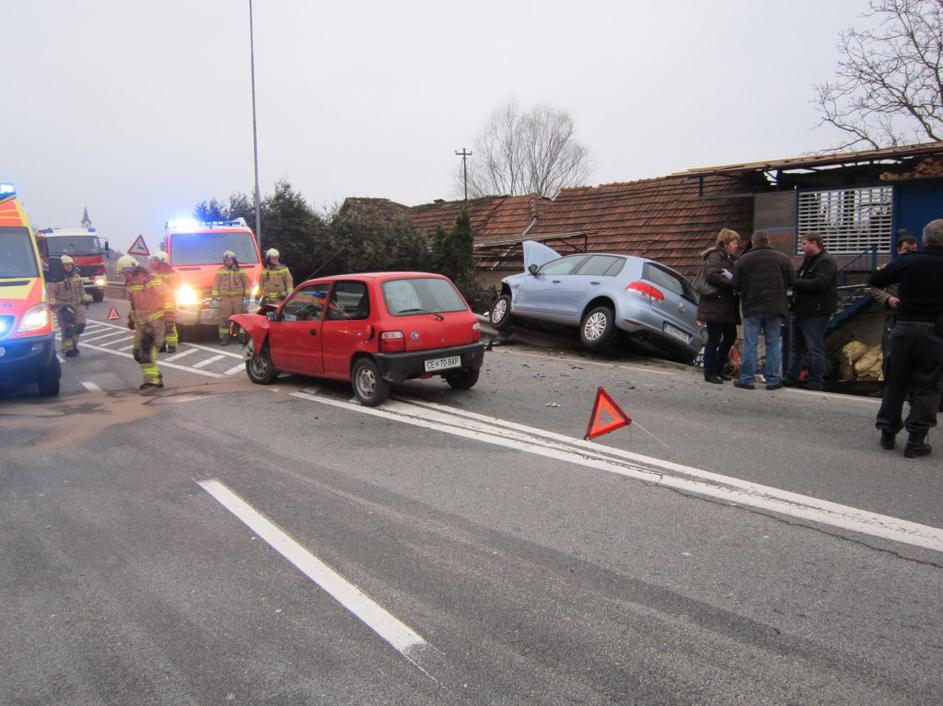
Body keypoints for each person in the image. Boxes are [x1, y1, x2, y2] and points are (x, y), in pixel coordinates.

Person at [870, 219, 943, 458]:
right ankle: (916, 439)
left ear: (924, 239)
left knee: (896, 381)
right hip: (935, 331)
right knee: (927, 385)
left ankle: (887, 432)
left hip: (903, 327)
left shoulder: (908, 261)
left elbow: (875, 280)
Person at [732, 230, 796, 390]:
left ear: (753, 242)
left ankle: (747, 379)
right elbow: (792, 281)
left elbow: (735, 284)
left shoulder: (743, 260)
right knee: (773, 343)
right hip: (775, 306)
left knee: (750, 343)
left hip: (752, 306)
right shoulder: (783, 259)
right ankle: (773, 380)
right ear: (769, 241)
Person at [783, 233, 838, 391]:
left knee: (815, 347)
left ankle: (815, 379)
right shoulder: (808, 260)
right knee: (795, 347)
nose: (802, 247)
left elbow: (820, 283)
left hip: (816, 311)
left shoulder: (826, 261)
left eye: (804, 243)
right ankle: (791, 377)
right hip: (799, 308)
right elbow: (799, 277)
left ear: (815, 243)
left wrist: (795, 282)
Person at [870, 233, 919, 381]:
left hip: (916, 316)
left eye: (914, 250)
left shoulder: (921, 268)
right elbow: (874, 287)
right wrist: (887, 299)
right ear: (898, 250)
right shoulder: (889, 268)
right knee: (890, 352)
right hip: (893, 316)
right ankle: (888, 385)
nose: (910, 253)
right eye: (907, 250)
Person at [696, 228, 740, 384]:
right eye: (734, 242)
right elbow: (712, 275)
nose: (736, 246)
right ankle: (710, 372)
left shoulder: (730, 258)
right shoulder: (716, 256)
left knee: (730, 336)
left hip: (725, 306)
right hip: (715, 304)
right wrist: (732, 283)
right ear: (725, 243)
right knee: (714, 338)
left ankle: (719, 367)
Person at [117, 254, 166, 390]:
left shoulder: (150, 280)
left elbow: (168, 296)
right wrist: (130, 318)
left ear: (131, 269)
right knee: (137, 354)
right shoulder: (131, 284)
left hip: (155, 323)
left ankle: (153, 381)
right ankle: (155, 375)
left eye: (125, 273)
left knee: (147, 353)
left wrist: (169, 320)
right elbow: (134, 304)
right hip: (141, 324)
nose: (124, 276)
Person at [48, 255, 92, 357]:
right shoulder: (56, 279)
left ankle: (74, 345)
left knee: (80, 326)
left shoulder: (77, 278)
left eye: (70, 265)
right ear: (61, 266)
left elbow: (82, 292)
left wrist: (86, 299)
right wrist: (55, 304)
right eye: (66, 265)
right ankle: (67, 349)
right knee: (67, 329)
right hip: (63, 307)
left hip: (77, 306)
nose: (69, 267)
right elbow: (50, 294)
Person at [211, 249, 248, 345]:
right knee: (224, 319)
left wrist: (247, 297)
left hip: (238, 298)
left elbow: (246, 285)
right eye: (227, 260)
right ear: (224, 261)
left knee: (240, 318)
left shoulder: (241, 271)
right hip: (225, 298)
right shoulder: (220, 272)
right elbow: (216, 285)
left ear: (234, 260)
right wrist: (214, 298)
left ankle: (242, 337)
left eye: (230, 260)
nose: (228, 261)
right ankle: (224, 338)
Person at [150, 251, 180, 353]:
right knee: (157, 324)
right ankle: (161, 345)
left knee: (169, 323)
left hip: (169, 301)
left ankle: (172, 345)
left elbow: (177, 286)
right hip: (156, 303)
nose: (153, 263)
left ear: (162, 262)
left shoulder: (173, 275)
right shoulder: (153, 274)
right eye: (153, 261)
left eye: (155, 261)